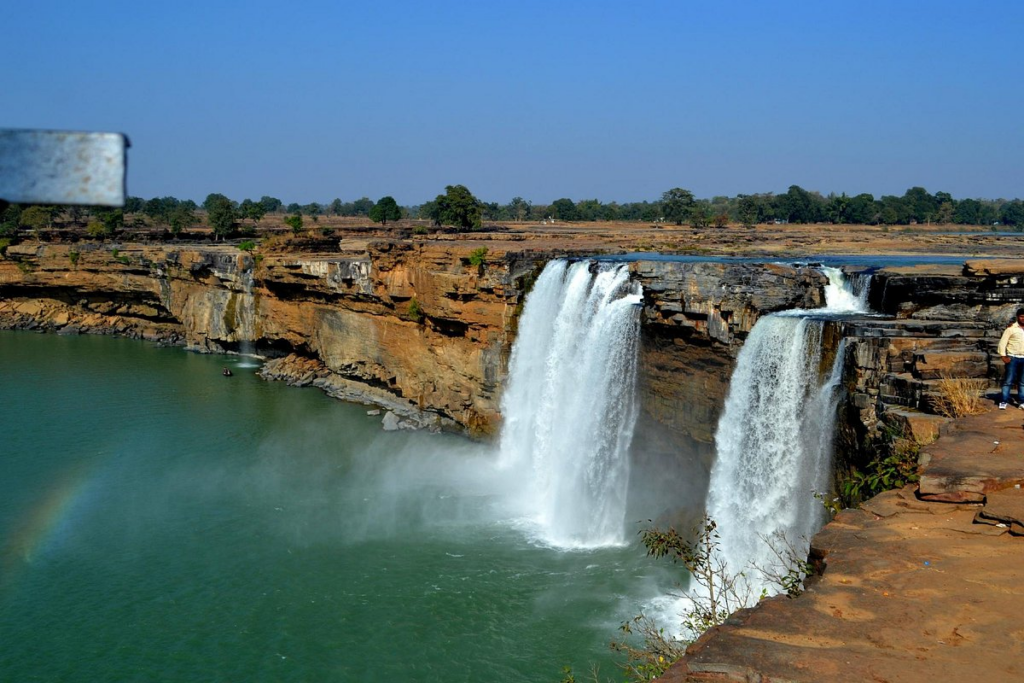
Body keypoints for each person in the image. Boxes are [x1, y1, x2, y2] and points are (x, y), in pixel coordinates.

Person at [996, 308, 1024, 409]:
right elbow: (1003, 342)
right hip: (1012, 358)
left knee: (1022, 382)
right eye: (1021, 316)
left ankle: (1022, 401)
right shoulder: (1011, 328)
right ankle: (1004, 400)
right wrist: (1003, 355)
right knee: (1008, 380)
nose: (1023, 318)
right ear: (1017, 317)